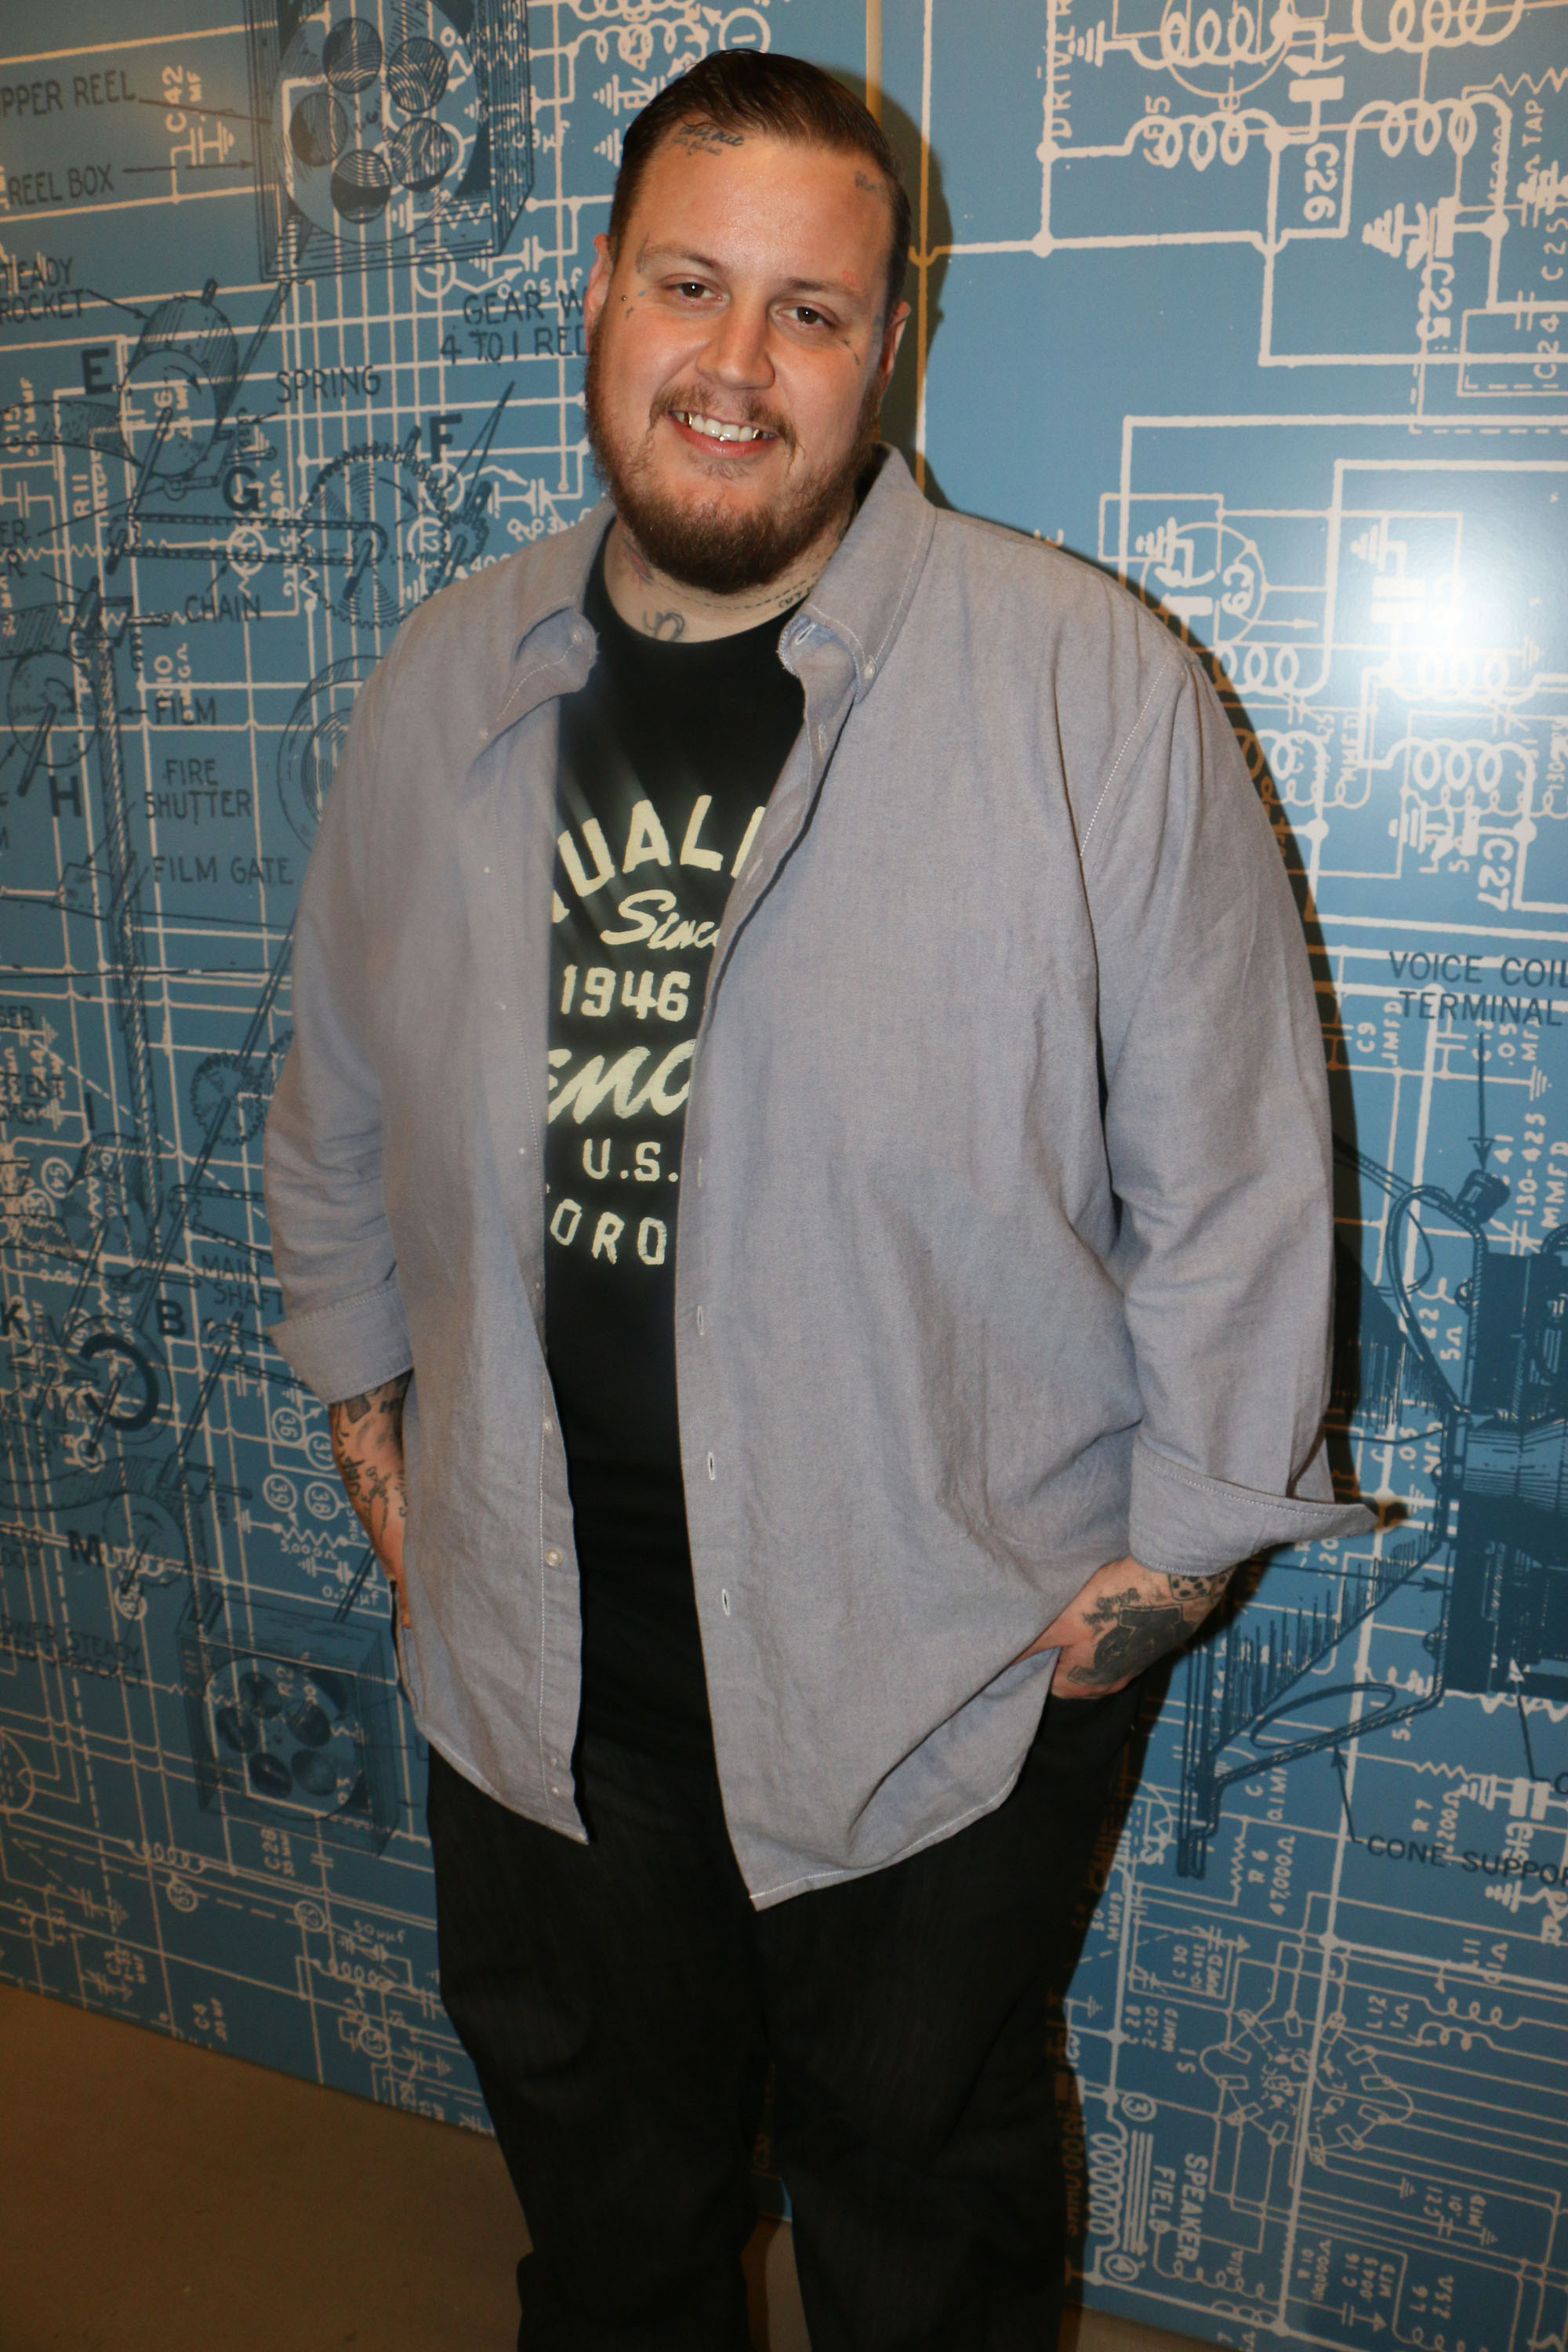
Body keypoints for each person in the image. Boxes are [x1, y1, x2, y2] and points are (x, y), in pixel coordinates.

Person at [263, 49, 1370, 2352]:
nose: (737, 369)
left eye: (813, 313)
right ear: (599, 296)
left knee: (924, 2223)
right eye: (691, 285)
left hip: (937, 1664)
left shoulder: (1091, 688)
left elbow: (1245, 1174)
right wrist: (364, 1411)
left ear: (893, 349)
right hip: (532, 1658)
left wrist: (1157, 1575)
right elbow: (337, 1082)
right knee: (615, 2216)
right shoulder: (446, 674)